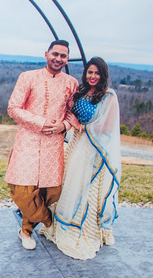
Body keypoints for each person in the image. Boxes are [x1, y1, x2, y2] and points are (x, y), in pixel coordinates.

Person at [41, 57, 121, 260]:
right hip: (75, 142)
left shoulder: (108, 96)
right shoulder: (81, 92)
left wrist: (81, 127)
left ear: (103, 75)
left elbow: (108, 127)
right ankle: (57, 225)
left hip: (93, 147)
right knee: (67, 183)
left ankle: (84, 230)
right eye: (90, 72)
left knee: (84, 187)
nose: (93, 76)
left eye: (97, 73)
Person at [5, 40, 79, 250]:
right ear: (46, 54)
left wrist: (63, 126)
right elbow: (13, 108)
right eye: (55, 54)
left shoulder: (71, 83)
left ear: (67, 59)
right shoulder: (28, 77)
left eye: (63, 56)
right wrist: (41, 123)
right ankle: (50, 221)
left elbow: (73, 113)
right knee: (23, 191)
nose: (58, 59)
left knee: (49, 193)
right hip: (28, 141)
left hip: (53, 145)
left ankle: (26, 231)